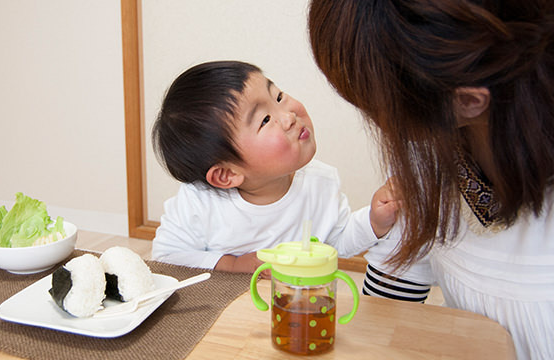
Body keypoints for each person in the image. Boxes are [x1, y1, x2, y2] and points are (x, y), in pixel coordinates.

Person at [308, 1, 554, 358]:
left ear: (468, 101)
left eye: (377, 105)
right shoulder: (429, 157)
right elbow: (392, 300)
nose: (379, 121)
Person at [150, 60, 433, 302]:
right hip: (228, 310)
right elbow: (165, 257)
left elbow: (338, 240)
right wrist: (233, 264)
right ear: (226, 175)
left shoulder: (319, 183)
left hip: (297, 306)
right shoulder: (200, 202)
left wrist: (374, 222)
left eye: (279, 96)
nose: (288, 116)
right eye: (264, 120)